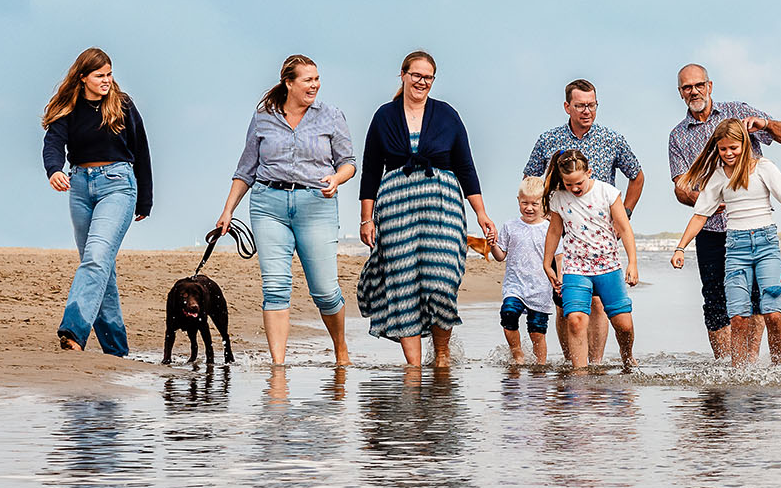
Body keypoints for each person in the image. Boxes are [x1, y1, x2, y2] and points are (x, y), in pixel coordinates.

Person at [211, 55, 357, 366]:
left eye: (317, 78)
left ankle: (340, 349)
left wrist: (336, 178)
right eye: (308, 79)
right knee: (275, 288)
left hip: (315, 204)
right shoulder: (264, 116)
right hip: (268, 205)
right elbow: (246, 168)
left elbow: (348, 163)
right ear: (289, 83)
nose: (314, 85)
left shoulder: (330, 115)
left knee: (325, 290)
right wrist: (227, 211)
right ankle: (278, 367)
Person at [356, 51, 496, 368]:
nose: (422, 82)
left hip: (443, 206)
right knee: (403, 282)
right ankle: (414, 367)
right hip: (395, 207)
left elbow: (466, 167)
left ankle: (442, 355)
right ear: (403, 75)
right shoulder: (383, 116)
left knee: (442, 282)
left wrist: (481, 213)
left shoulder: (447, 115)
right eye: (416, 75)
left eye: (428, 77)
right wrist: (367, 219)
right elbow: (370, 171)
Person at [667, 64, 781, 358]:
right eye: (687, 87)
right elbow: (680, 188)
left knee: (760, 301)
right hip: (713, 232)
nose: (694, 91)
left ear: (710, 85)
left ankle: (750, 361)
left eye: (699, 85)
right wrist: (711, 200)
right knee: (715, 301)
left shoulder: (738, 112)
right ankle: (728, 366)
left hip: (757, 229)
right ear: (680, 93)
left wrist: (764, 125)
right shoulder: (678, 136)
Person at [41, 48, 152, 355]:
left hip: (118, 186)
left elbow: (141, 151)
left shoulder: (123, 105)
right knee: (101, 268)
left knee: (95, 259)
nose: (106, 81)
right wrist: (54, 171)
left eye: (109, 74)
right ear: (83, 78)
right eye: (100, 76)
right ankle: (116, 349)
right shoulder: (69, 107)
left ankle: (73, 331)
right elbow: (52, 143)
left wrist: (145, 199)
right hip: (79, 187)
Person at [524, 79, 643, 364]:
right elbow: (530, 178)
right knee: (567, 309)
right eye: (580, 105)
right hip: (568, 237)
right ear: (568, 106)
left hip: (603, 238)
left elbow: (636, 176)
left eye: (592, 105)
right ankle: (572, 365)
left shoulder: (611, 138)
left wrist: (622, 215)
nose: (587, 111)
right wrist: (544, 215)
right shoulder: (548, 140)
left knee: (600, 305)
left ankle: (596, 363)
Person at [541, 150, 639, 370]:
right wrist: (547, 263)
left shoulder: (608, 192)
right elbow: (554, 231)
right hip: (575, 267)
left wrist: (632, 262)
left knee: (623, 325)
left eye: (579, 183)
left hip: (608, 266)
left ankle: (627, 357)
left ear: (589, 172)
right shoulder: (558, 198)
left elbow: (624, 228)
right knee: (575, 319)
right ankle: (580, 375)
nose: (575, 188)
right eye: (569, 184)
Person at [490, 176, 552, 366]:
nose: (529, 207)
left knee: (537, 331)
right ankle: (517, 354)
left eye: (534, 203)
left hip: (541, 288)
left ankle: (540, 365)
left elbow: (558, 258)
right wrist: (492, 244)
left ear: (544, 203)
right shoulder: (510, 226)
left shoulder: (550, 228)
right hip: (514, 286)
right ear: (518, 201)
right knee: (508, 315)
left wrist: (559, 280)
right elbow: (500, 256)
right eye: (525, 203)